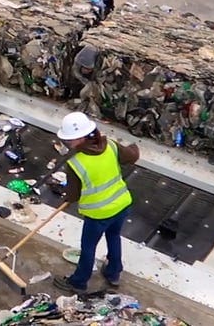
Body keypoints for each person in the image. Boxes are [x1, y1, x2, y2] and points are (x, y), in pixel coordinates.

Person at [53, 111, 139, 292]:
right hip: (122, 205)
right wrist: (134, 147)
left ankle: (78, 282)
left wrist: (67, 197)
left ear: (81, 138)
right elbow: (131, 157)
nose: (67, 143)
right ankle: (113, 273)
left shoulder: (76, 163)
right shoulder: (111, 146)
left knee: (88, 248)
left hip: (98, 214)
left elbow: (73, 196)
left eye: (70, 140)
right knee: (114, 237)